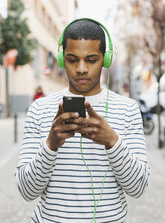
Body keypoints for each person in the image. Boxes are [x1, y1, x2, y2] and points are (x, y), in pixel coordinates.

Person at [15, 18, 150, 223]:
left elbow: (137, 188)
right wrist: (51, 144)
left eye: (91, 59)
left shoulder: (128, 109)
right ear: (61, 59)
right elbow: (26, 191)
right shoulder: (39, 109)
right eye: (72, 59)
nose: (81, 69)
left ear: (105, 59)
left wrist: (112, 141)